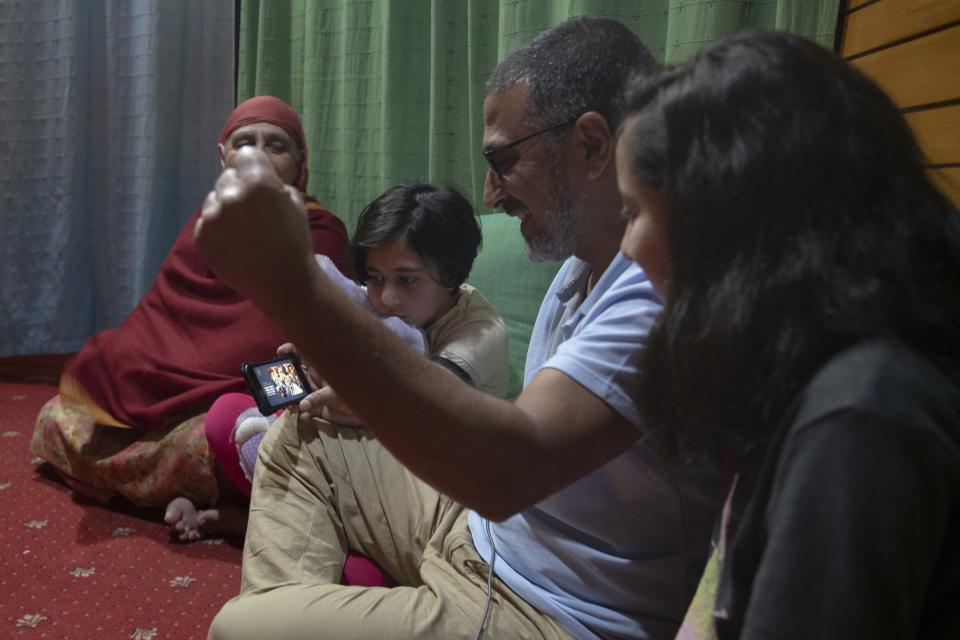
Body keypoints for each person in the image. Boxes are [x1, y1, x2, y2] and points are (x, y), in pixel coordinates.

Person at [197, 16, 724, 640]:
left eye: (502, 159)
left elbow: (507, 469)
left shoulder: (661, 283)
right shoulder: (580, 263)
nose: (490, 191)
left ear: (589, 145)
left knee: (240, 629)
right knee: (299, 437)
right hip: (481, 527)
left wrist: (294, 286)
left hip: (545, 608)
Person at [615, 30, 960, 639]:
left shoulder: (862, 417)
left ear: (722, 213)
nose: (627, 245)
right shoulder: (805, 368)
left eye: (634, 211)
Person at [30, 96, 352, 537]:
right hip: (173, 395)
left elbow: (308, 357)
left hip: (250, 396)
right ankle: (195, 496)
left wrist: (233, 390)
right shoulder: (208, 221)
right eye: (244, 143)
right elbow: (161, 320)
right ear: (222, 159)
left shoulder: (321, 234)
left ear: (300, 163)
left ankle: (190, 493)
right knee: (57, 416)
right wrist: (129, 373)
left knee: (232, 441)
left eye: (275, 145)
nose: (257, 155)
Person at [185, 182, 508, 543]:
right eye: (374, 278)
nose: (387, 297)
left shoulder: (481, 332)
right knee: (226, 414)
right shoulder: (384, 312)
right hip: (360, 455)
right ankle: (291, 527)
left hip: (429, 490)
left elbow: (418, 408)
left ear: (451, 275)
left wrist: (343, 391)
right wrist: (319, 358)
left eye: (407, 280)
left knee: (351, 565)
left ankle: (281, 529)